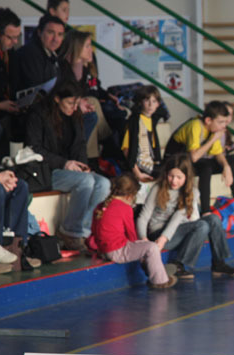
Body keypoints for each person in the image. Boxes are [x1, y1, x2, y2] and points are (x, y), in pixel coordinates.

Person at [25, 78, 110, 251]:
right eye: (70, 103)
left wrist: (83, 166)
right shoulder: (38, 114)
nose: (74, 107)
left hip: (70, 169)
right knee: (85, 181)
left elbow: (80, 145)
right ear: (57, 99)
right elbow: (34, 148)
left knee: (104, 183)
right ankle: (71, 231)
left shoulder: (75, 116)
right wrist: (64, 163)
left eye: (76, 103)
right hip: (45, 171)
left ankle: (84, 231)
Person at [137, 153, 234, 279]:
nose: (174, 181)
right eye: (171, 176)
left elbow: (178, 218)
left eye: (179, 177)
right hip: (158, 234)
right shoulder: (158, 189)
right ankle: (178, 265)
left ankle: (219, 263)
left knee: (213, 219)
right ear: (166, 174)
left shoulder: (192, 192)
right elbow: (143, 216)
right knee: (202, 225)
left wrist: (164, 238)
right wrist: (144, 239)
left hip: (173, 233)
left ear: (186, 177)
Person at [87, 173, 177, 289]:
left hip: (103, 250)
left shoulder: (101, 205)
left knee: (144, 247)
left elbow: (94, 229)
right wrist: (140, 247)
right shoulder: (125, 208)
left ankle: (153, 269)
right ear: (130, 196)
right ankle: (161, 281)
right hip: (116, 252)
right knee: (152, 247)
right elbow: (132, 235)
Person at [164, 101, 234, 213]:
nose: (224, 126)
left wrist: (226, 166)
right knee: (206, 167)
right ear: (208, 120)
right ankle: (206, 211)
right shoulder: (195, 125)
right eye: (221, 122)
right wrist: (213, 139)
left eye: (225, 122)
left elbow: (218, 153)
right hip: (176, 162)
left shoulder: (213, 129)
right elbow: (194, 157)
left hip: (192, 160)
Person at [58, 29, 111, 143]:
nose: (91, 50)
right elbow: (64, 93)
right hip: (63, 111)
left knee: (92, 112)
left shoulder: (84, 70)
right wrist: (78, 102)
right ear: (77, 47)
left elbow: (93, 87)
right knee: (91, 113)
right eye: (87, 46)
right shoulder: (61, 67)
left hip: (78, 106)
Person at [0, 8, 21, 166]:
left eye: (17, 37)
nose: (15, 42)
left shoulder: (11, 55)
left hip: (7, 116)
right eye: (10, 37)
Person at [121, 85, 163, 182]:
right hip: (139, 165)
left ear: (158, 104)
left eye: (154, 101)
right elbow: (126, 150)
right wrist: (137, 173)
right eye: (147, 100)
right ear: (140, 102)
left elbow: (163, 112)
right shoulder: (135, 121)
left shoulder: (152, 120)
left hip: (151, 163)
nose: (150, 105)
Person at [15, 14, 64, 92]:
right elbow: (35, 89)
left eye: (60, 34)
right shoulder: (29, 54)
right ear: (39, 32)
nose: (55, 39)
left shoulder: (53, 54)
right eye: (51, 32)